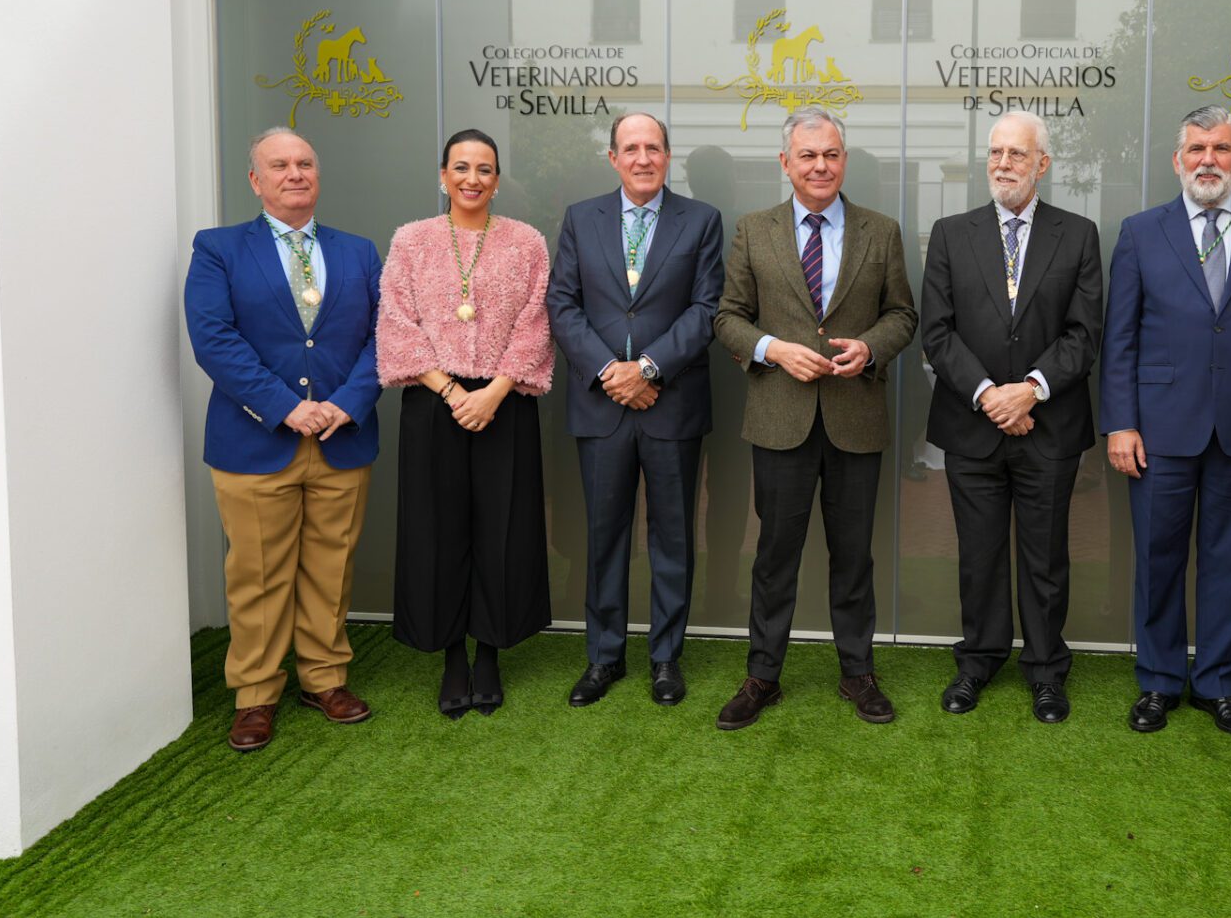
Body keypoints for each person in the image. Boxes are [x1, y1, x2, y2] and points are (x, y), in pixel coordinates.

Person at [1100, 105, 1231, 737]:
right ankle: (1159, 682)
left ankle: (1218, 684)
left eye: (1220, 149)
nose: (1208, 160)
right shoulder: (1141, 231)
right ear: (1177, 160)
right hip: (1158, 428)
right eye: (1196, 149)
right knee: (1157, 558)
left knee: (1229, 558)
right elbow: (1121, 338)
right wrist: (1120, 423)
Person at [712, 106, 919, 729]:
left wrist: (872, 348)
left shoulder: (881, 231)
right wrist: (772, 349)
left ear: (844, 160)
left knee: (854, 556)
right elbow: (727, 317)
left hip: (855, 419)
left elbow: (903, 315)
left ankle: (858, 674)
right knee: (775, 554)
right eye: (807, 155)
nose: (820, 165)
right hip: (780, 419)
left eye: (830, 154)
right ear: (786, 163)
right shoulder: (754, 229)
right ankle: (762, 677)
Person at [184, 126, 383, 751]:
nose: (294, 173)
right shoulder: (218, 249)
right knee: (259, 574)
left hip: (341, 438)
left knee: (331, 566)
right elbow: (214, 338)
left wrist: (346, 405)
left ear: (317, 176)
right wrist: (284, 408)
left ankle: (323, 678)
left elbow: (389, 338)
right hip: (256, 441)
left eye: (305, 163)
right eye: (279, 165)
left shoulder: (359, 252)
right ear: (255, 180)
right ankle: (255, 694)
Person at [920, 111, 1103, 723]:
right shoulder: (950, 233)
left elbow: (1084, 334)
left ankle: (1047, 670)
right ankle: (977, 661)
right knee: (978, 554)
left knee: (1046, 557)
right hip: (971, 424)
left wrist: (1029, 389)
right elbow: (937, 332)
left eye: (1018, 154)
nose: (1003, 164)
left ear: (1042, 164)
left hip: (1048, 427)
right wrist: (989, 395)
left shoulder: (1078, 235)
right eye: (996, 152)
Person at [375, 128, 554, 718]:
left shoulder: (526, 243)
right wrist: (453, 393)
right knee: (437, 530)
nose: (472, 178)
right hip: (434, 401)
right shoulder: (412, 241)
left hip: (505, 401)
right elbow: (397, 323)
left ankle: (491, 654)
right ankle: (452, 653)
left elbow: (537, 323)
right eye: (461, 167)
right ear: (442, 176)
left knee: (502, 530)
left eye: (484, 169)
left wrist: (494, 391)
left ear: (497, 180)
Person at [547, 113, 724, 708]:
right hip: (602, 407)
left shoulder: (701, 221)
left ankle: (666, 658)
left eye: (653, 147)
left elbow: (706, 309)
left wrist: (646, 370)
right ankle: (604, 657)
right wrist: (609, 373)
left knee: (673, 536)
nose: (643, 158)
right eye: (631, 148)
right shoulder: (580, 218)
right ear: (614, 158)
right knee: (604, 536)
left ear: (668, 156)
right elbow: (563, 305)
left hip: (670, 405)